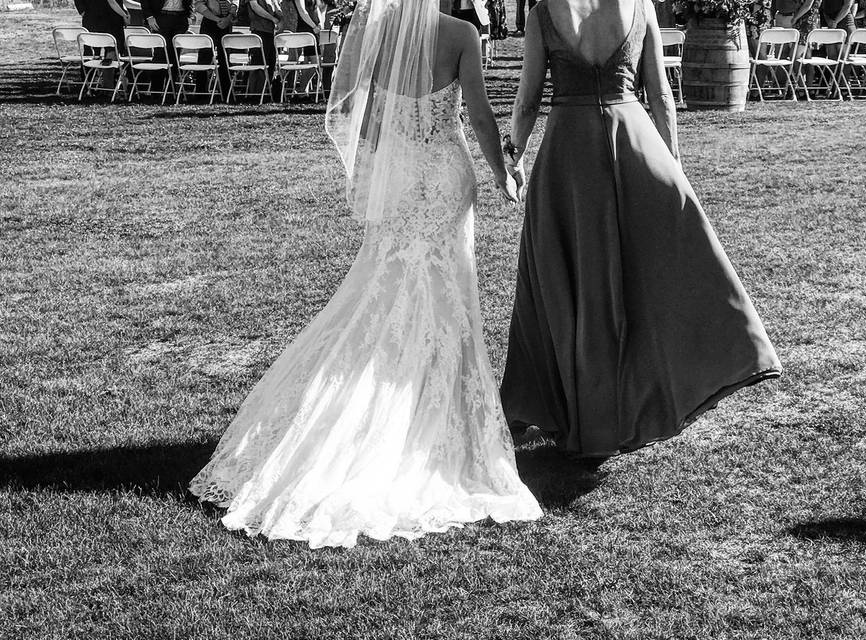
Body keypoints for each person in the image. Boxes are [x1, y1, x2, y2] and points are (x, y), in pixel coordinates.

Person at [189, 0, 541, 547]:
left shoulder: (367, 31)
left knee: (384, 288)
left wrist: (376, 168)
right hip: (445, 176)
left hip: (398, 175)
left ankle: (383, 405)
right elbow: (477, 116)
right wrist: (505, 172)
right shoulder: (460, 33)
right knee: (445, 293)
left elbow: (354, 108)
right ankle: (428, 407)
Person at [499, 0, 782, 457]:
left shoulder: (542, 13)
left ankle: (575, 406)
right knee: (643, 276)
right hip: (634, 142)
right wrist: (673, 169)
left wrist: (514, 152)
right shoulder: (640, 5)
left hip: (568, 154)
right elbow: (661, 97)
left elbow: (528, 99)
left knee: (570, 279)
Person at [74, 0, 129, 90]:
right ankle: (108, 86)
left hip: (92, 19)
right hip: (109, 19)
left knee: (90, 51)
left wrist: (84, 12)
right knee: (111, 51)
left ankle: (87, 84)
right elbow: (112, 1)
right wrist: (124, 15)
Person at [194, 0, 238, 100]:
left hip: (226, 22)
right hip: (209, 21)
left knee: (225, 58)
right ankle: (200, 94)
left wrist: (228, 17)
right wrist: (217, 19)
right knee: (204, 57)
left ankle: (226, 93)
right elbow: (199, 5)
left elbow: (235, 3)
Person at [247, 0, 282, 99]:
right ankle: (255, 94)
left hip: (270, 32)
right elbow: (255, 7)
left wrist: (279, 14)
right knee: (258, 64)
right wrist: (272, 19)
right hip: (259, 30)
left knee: (271, 63)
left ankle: (267, 92)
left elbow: (276, 8)